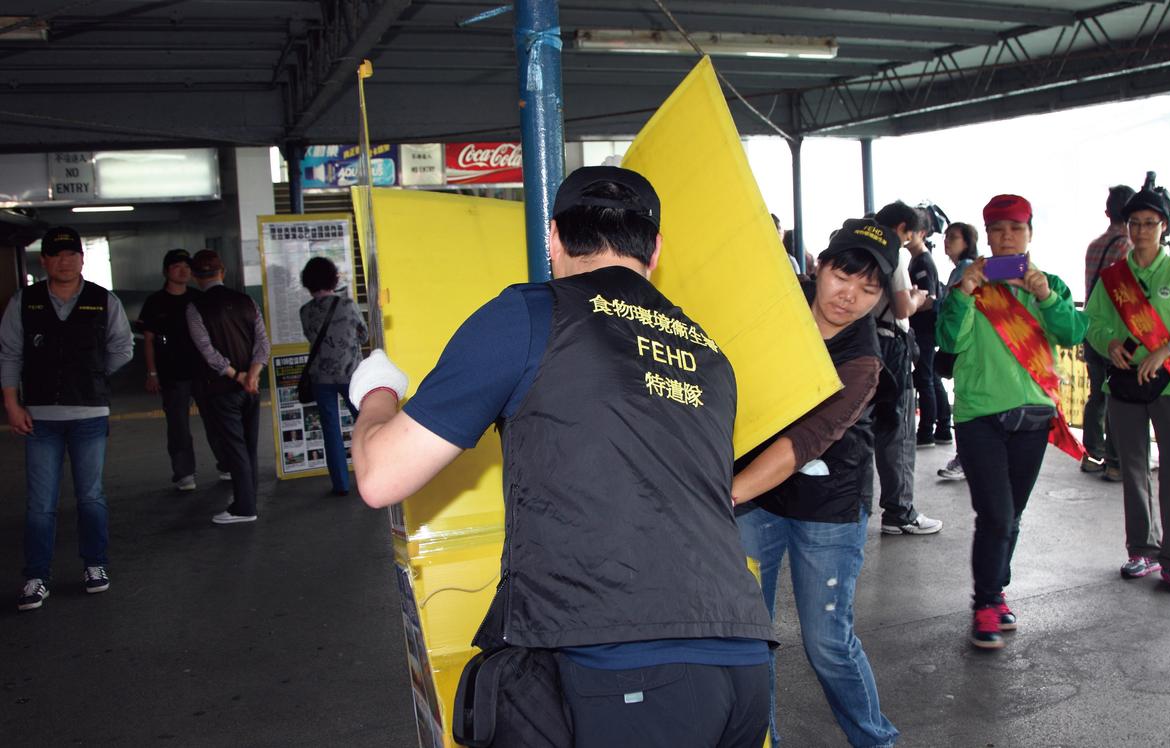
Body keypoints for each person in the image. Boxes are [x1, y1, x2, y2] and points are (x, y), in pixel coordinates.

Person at [350, 166, 774, 747]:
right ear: (654, 248)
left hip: (631, 666)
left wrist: (375, 392)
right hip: (742, 656)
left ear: (551, 238)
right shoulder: (707, 351)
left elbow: (380, 476)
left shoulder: (529, 314)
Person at [734, 218, 899, 748]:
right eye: (842, 276)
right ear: (819, 266)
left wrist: (726, 491)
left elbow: (801, 443)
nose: (849, 297)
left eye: (869, 290)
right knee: (745, 635)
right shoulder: (778, 304)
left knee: (827, 643)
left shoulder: (864, 360)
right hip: (757, 496)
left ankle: (876, 740)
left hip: (827, 503)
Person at [937, 195, 1089, 648]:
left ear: (1029, 234)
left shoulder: (1051, 284)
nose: (1006, 238)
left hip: (1033, 413)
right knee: (996, 514)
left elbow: (1073, 334)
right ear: (987, 235)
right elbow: (948, 340)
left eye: (1015, 230)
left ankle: (996, 589)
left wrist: (1044, 296)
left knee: (1012, 515)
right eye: (998, 230)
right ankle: (985, 602)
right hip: (978, 415)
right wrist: (963, 292)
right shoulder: (969, 284)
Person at [1, 226, 133, 611]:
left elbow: (122, 348)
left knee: (91, 496)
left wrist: (92, 376)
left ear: (81, 258)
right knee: (40, 502)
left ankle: (95, 565)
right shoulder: (24, 301)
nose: (64, 261)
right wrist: (12, 404)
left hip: (90, 414)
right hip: (39, 417)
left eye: (71, 254)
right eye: (56, 255)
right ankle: (36, 576)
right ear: (44, 261)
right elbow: (8, 354)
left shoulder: (102, 300)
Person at [1085, 181, 1170, 593]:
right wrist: (1108, 343)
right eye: (1135, 223)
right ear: (1128, 226)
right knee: (1132, 469)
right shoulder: (1114, 276)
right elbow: (1091, 323)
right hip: (1125, 382)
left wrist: (1169, 349)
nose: (1142, 231)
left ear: (1164, 227)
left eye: (1150, 223)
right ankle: (1142, 551)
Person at [870, 201, 942, 535]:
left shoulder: (861, 247)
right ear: (903, 228)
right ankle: (900, 511)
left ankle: (874, 507)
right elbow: (901, 306)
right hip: (890, 346)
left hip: (861, 345)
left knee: (866, 426)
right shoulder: (893, 251)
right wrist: (916, 299)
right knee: (897, 430)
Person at [185, 249, 269, 525]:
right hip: (251, 390)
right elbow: (262, 345)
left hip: (222, 389)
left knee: (235, 447)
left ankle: (244, 507)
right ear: (223, 272)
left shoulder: (195, 308)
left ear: (196, 277)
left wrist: (237, 375)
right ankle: (248, 498)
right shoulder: (246, 301)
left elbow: (207, 351)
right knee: (250, 445)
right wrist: (253, 376)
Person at [138, 248, 227, 491]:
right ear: (166, 271)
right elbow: (148, 340)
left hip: (202, 372)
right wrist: (152, 372)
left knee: (214, 419)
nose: (183, 271)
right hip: (172, 374)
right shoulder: (155, 302)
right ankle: (184, 473)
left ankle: (226, 465)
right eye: (177, 266)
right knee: (178, 425)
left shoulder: (198, 298)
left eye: (187, 267)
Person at [299, 257, 368, 495]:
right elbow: (364, 336)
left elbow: (311, 338)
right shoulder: (347, 305)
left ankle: (340, 484)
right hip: (351, 376)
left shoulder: (305, 311)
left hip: (321, 378)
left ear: (307, 282)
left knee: (331, 429)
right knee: (364, 424)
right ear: (333, 278)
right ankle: (369, 474)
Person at [1081, 185, 1136, 483]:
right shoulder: (1127, 248)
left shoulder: (1095, 245)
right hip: (1116, 335)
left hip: (1092, 328)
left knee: (1096, 394)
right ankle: (1115, 462)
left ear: (1107, 212)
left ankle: (1092, 455)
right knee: (1117, 394)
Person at [936, 222, 980, 481]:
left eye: (953, 238)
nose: (947, 242)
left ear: (967, 242)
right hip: (964, 345)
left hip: (963, 345)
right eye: (946, 237)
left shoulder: (965, 269)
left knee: (965, 404)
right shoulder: (960, 269)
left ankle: (965, 459)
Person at [907, 220, 952, 447]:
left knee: (925, 380)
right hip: (923, 328)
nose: (906, 236)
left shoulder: (923, 261)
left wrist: (908, 301)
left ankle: (926, 432)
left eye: (910, 231)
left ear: (922, 233)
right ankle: (943, 427)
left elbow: (929, 299)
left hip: (924, 328)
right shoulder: (918, 260)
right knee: (931, 378)